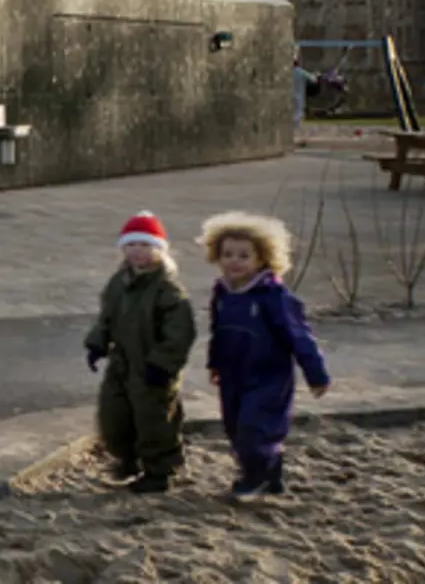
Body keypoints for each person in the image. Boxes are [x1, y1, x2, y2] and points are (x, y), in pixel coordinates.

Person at [200, 210, 331, 503]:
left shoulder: (273, 296)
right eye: (228, 254)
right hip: (233, 375)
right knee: (234, 426)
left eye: (243, 255)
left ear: (262, 258)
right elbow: (218, 330)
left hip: (268, 376)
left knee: (254, 428)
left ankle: (255, 477)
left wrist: (316, 373)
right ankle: (271, 473)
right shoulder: (222, 293)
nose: (234, 261)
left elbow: (299, 336)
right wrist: (214, 363)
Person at [84, 211, 196, 494]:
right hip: (122, 362)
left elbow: (180, 333)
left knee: (154, 419)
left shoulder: (167, 290)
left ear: (159, 250)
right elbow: (106, 316)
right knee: (114, 414)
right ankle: (127, 459)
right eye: (132, 245)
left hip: (152, 365)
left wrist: (163, 364)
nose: (138, 251)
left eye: (145, 245)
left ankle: (160, 471)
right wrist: (97, 342)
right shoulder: (118, 283)